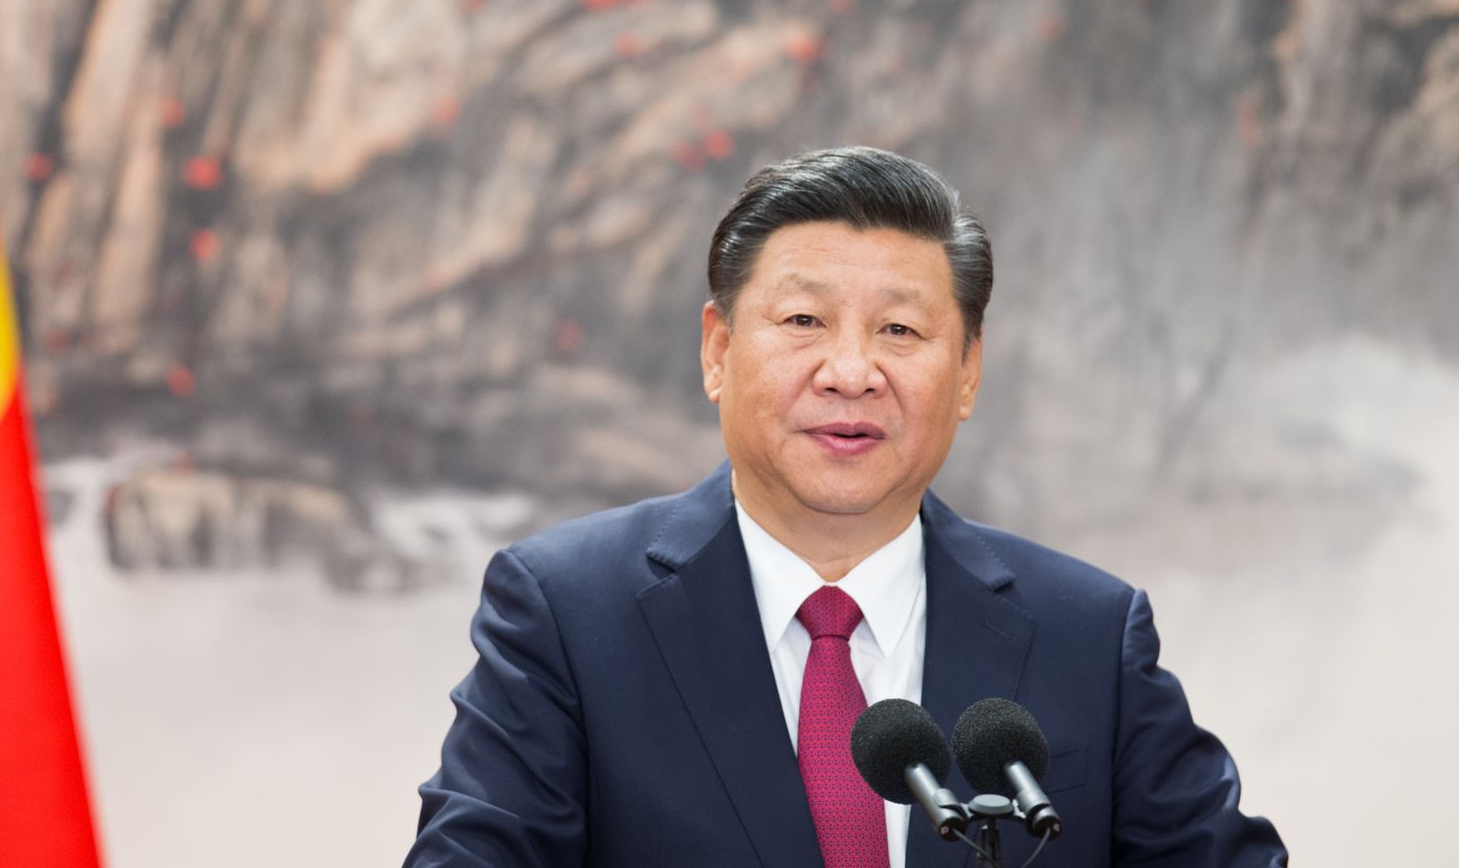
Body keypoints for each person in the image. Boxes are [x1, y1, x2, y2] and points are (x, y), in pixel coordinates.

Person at [405, 147, 1286, 867]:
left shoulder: (1088, 636)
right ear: (718, 351)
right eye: (803, 323)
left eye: (900, 331)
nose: (852, 371)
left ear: (969, 371)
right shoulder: (567, 615)